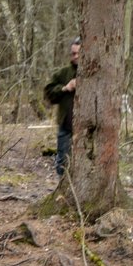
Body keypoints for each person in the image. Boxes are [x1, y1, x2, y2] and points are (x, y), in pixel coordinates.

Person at [44, 37, 80, 177]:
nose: (75, 56)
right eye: (73, 53)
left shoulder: (96, 73)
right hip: (66, 125)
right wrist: (65, 88)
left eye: (79, 53)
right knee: (62, 162)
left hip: (89, 129)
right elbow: (48, 93)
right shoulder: (63, 73)